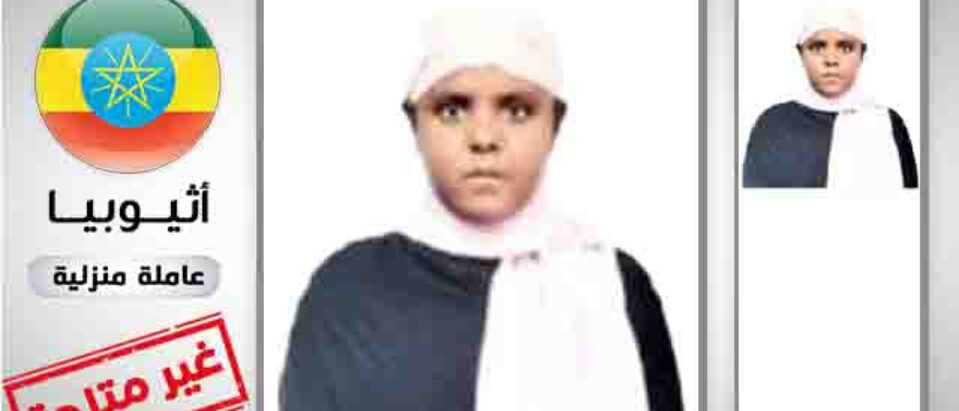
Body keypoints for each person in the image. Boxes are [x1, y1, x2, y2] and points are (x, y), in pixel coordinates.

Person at [280, 11, 683, 411]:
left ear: (555, 123)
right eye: (452, 110)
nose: (484, 138)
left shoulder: (613, 287)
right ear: (415, 123)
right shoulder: (348, 295)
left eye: (517, 111)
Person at [743, 5, 918, 188]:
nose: (831, 60)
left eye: (845, 48)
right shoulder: (773, 125)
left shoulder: (887, 122)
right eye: (818, 47)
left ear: (862, 54)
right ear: (801, 53)